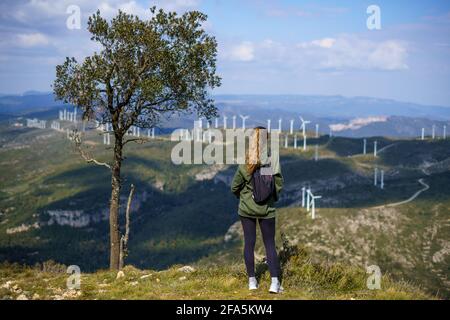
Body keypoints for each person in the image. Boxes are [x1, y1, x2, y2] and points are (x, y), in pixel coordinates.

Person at [231, 127, 284, 293]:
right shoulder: (271, 159)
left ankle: (252, 282)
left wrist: (244, 197)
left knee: (249, 244)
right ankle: (275, 283)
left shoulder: (245, 162)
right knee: (270, 244)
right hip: (267, 210)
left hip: (246, 210)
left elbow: (234, 186)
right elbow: (277, 184)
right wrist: (271, 199)